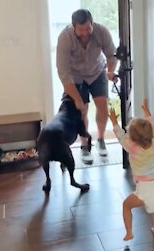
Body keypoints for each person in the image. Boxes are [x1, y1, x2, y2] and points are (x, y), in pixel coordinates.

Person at [56, 9, 118, 164]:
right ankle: (85, 146)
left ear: (92, 23)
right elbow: (63, 73)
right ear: (73, 27)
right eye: (81, 30)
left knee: (102, 106)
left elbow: (112, 54)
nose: (85, 33)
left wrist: (110, 71)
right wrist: (77, 99)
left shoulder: (101, 31)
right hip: (75, 77)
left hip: (97, 72)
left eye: (87, 29)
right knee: (82, 111)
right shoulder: (65, 38)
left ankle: (101, 140)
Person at [109, 98, 154, 241]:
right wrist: (145, 109)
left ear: (133, 139)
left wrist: (114, 122)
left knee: (126, 206)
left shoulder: (132, 148)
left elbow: (121, 136)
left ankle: (129, 233)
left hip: (144, 189)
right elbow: (151, 122)